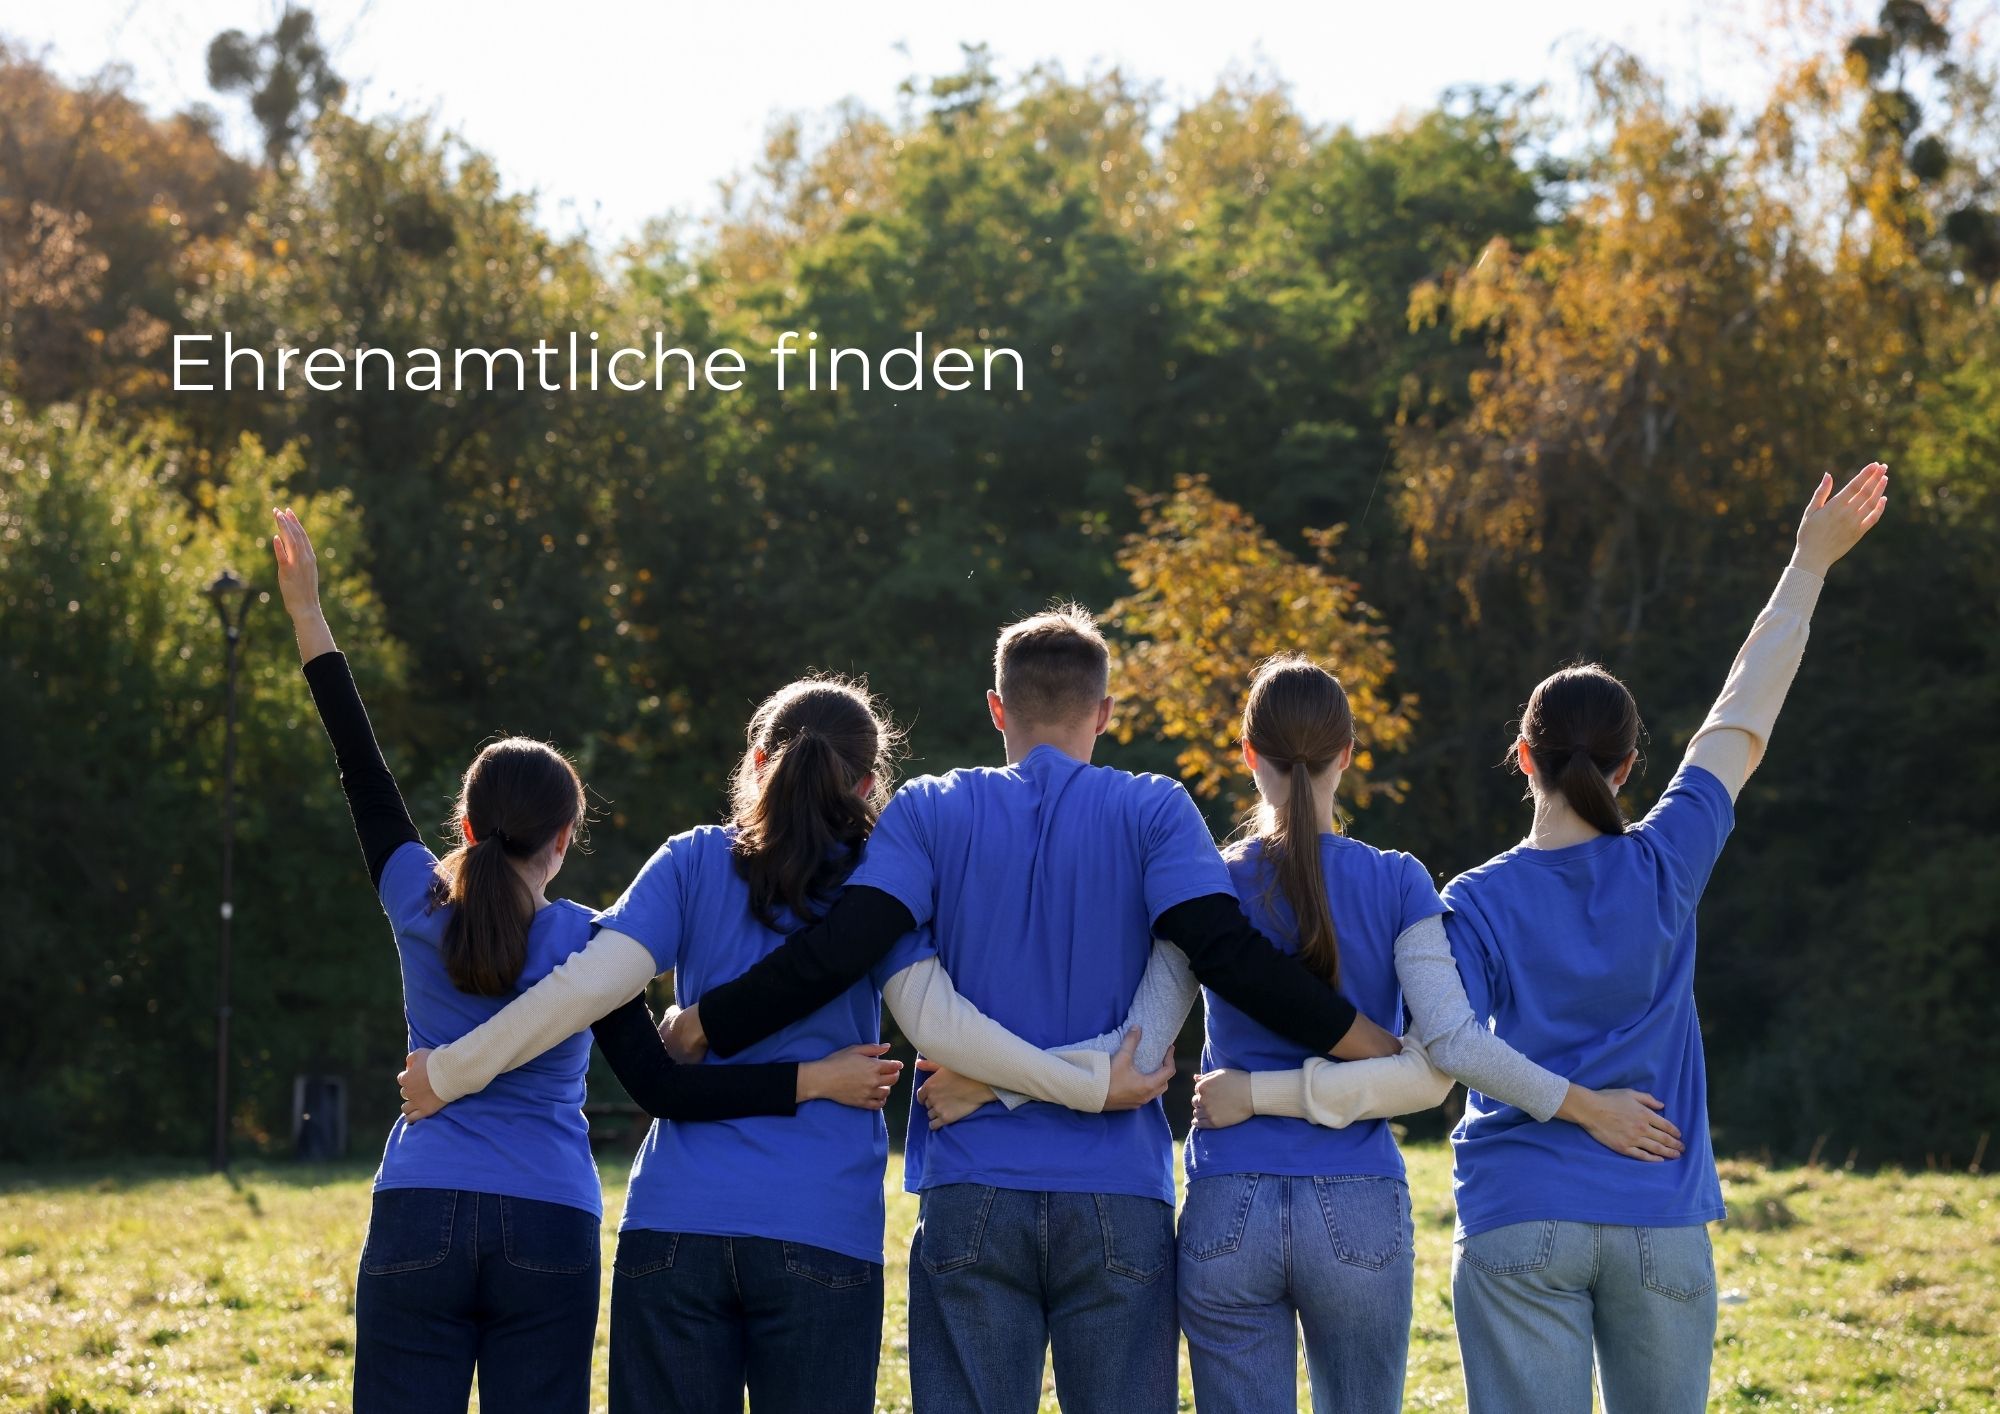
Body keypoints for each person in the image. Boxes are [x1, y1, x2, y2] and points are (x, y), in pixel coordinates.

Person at [390, 665, 1218, 1412]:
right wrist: (1079, 1080)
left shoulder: (687, 862)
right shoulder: (881, 882)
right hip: (820, 1232)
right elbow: (936, 1022)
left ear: (755, 761)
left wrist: (452, 1072)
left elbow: (581, 991)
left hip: (676, 1228)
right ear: (866, 785)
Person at [647, 606, 1403, 1414]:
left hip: (973, 1186)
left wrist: (701, 1023)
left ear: (996, 708)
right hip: (1117, 1193)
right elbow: (1223, 955)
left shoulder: (929, 811)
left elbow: (855, 954)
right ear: (1105, 713)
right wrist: (1363, 1039)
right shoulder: (1156, 810)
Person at [271, 510, 887, 1414]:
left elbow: (361, 771)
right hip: (550, 1223)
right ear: (564, 840)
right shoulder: (588, 943)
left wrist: (308, 615)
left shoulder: (414, 900)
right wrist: (813, 1077)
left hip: (418, 1207)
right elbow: (665, 1085)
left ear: (468, 828)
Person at [1436, 465, 1888, 1413]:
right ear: (1631, 765)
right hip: (1659, 1213)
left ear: (1524, 757)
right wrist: (1807, 563)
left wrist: (1571, 1109)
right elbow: (1742, 715)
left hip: (1520, 1216)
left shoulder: (1472, 899)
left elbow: (1454, 1050)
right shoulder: (1666, 860)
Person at [1172, 657, 1689, 1413]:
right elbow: (1435, 1064)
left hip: (1226, 1205)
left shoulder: (1205, 885)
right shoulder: (1401, 881)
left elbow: (1143, 1036)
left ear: (1248, 755)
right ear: (1348, 754)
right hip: (1357, 1208)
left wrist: (1248, 1095)